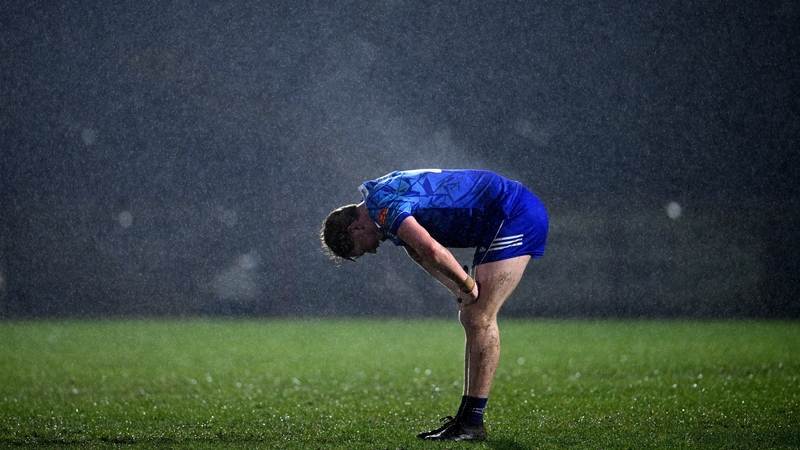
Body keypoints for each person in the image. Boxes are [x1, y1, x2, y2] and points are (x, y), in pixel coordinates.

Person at [320, 169, 548, 441]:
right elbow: (417, 252)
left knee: (479, 317)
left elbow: (430, 249)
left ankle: (471, 424)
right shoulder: (378, 203)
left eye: (361, 248)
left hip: (514, 212)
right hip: (503, 213)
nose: (371, 251)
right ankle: (466, 421)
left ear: (354, 227)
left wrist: (467, 285)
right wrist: (458, 289)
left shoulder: (384, 210)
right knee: (472, 315)